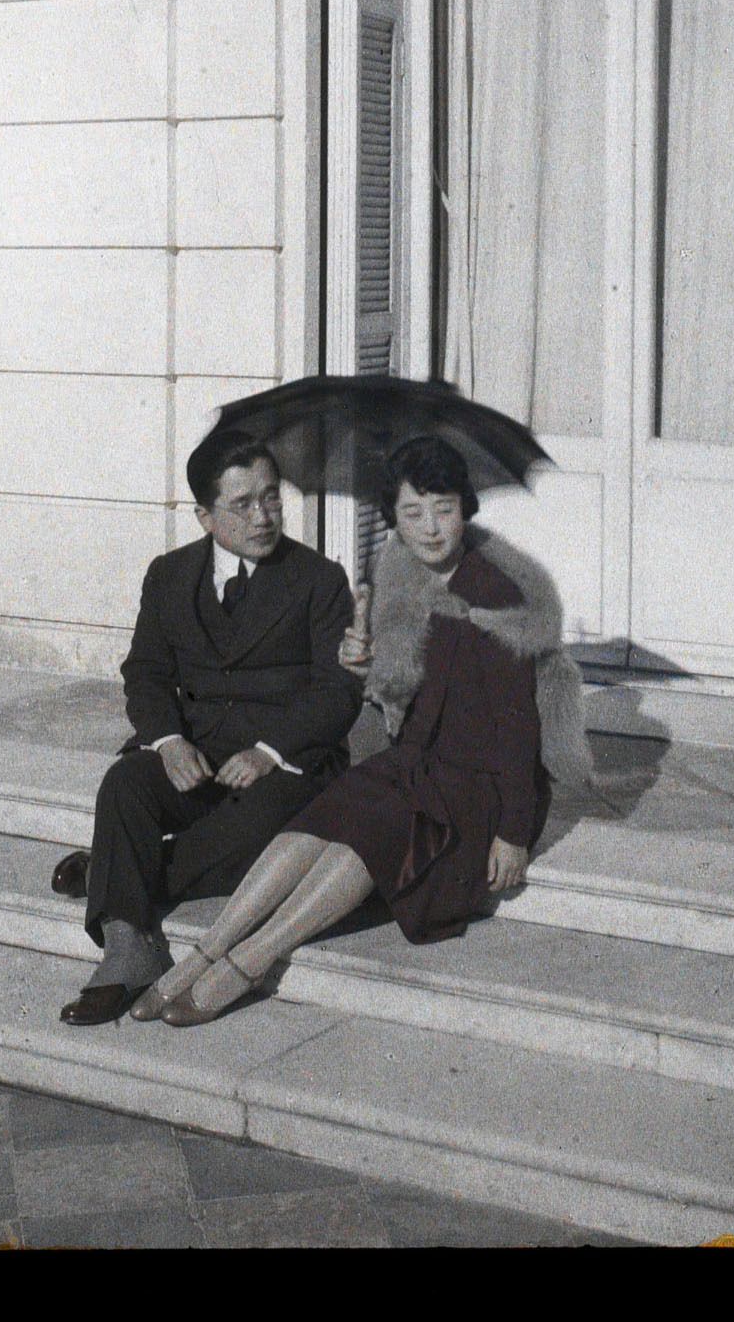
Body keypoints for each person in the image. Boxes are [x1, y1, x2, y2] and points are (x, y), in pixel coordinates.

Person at [128, 435, 594, 1027]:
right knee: (323, 816)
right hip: (416, 762)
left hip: (475, 789)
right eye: (412, 513)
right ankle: (203, 952)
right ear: (394, 519)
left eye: (444, 509)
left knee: (367, 834)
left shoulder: (500, 596)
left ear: (466, 508)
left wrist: (513, 831)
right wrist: (362, 661)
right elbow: (406, 690)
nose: (430, 529)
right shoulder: (402, 578)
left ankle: (248, 960)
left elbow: (518, 730)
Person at [57, 431, 363, 1026]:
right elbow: (144, 673)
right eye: (243, 504)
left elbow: (339, 691)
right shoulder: (170, 575)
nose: (264, 516)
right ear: (204, 515)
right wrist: (168, 742)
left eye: (272, 498)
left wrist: (269, 751)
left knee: (260, 835)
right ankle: (127, 950)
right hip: (196, 750)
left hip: (286, 761)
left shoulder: (318, 580)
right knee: (125, 785)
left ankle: (110, 874)